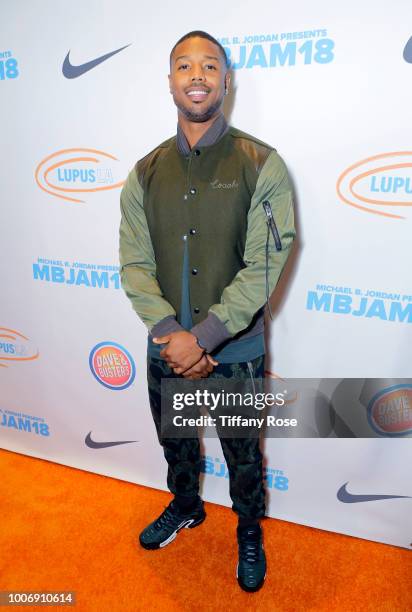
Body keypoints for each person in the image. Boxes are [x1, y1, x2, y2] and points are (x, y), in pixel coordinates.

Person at [119, 30, 295, 593]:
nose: (197, 75)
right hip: (166, 347)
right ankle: (187, 504)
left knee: (244, 455)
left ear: (226, 80)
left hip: (235, 351)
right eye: (184, 66)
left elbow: (266, 263)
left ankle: (248, 530)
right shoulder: (144, 172)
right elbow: (134, 263)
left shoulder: (261, 162)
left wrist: (209, 336)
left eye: (210, 66)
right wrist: (174, 334)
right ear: (170, 80)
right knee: (176, 441)